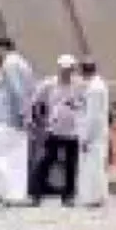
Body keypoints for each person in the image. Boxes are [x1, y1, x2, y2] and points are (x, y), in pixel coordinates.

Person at [29, 55, 87, 207]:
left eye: (69, 69)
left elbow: (85, 104)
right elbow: (35, 102)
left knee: (71, 164)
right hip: (53, 129)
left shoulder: (79, 85)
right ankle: (36, 193)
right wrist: (39, 122)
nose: (66, 72)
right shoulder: (49, 84)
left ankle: (68, 195)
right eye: (64, 69)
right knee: (46, 161)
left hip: (73, 131)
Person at [0, 38, 34, 206]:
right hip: (16, 119)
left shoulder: (10, 64)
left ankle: (6, 192)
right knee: (16, 159)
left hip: (9, 118)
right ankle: (14, 193)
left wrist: (21, 114)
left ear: (2, 48)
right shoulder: (22, 63)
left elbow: (17, 91)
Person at [76, 59, 110, 207]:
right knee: (97, 165)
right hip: (99, 132)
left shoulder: (94, 89)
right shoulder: (98, 85)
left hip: (94, 134)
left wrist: (86, 137)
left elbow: (92, 116)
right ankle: (98, 195)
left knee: (92, 167)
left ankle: (93, 196)